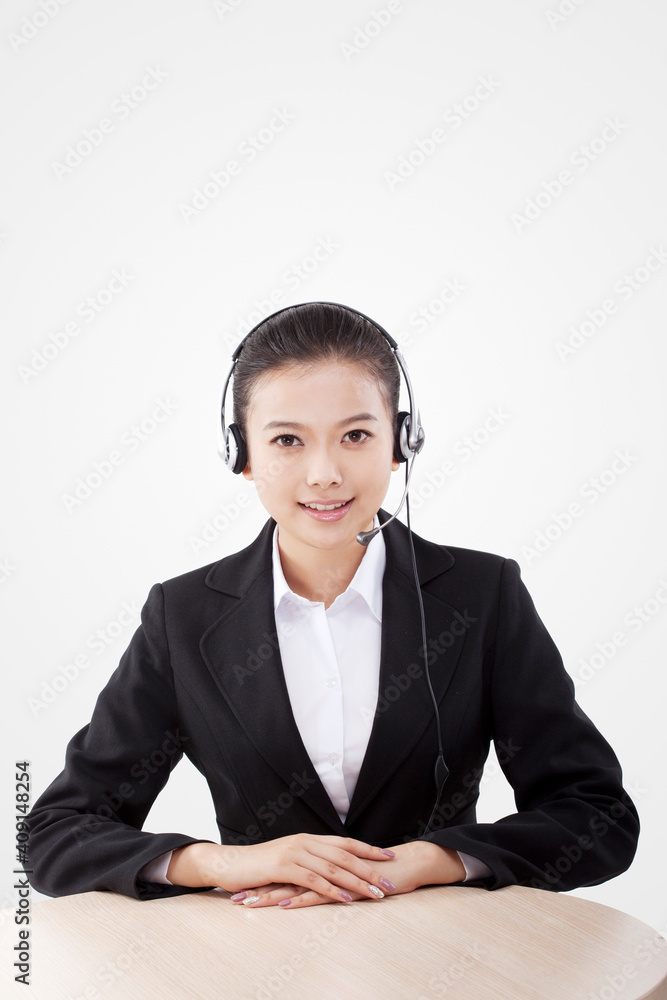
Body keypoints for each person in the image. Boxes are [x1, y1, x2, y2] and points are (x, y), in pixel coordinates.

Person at [26, 301, 639, 908]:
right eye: (288, 440)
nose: (324, 473)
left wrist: (434, 860)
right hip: (256, 964)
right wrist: (226, 863)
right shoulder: (183, 618)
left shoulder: (483, 595)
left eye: (355, 435)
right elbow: (55, 834)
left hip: (445, 961)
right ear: (241, 454)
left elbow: (597, 817)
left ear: (402, 441)